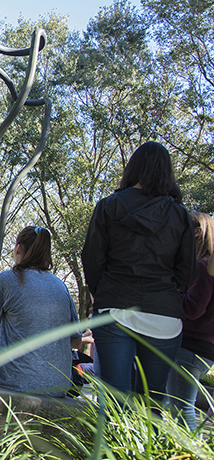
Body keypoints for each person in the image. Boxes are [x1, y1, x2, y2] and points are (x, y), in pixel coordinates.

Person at [82, 141, 196, 400]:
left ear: (132, 168)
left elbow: (92, 259)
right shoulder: (180, 216)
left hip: (116, 307)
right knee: (152, 403)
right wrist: (164, 290)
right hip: (163, 316)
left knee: (114, 399)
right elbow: (186, 271)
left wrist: (105, 293)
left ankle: (110, 441)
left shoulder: (109, 206)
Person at [0, 226, 82, 398]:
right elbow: (76, 342)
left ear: (18, 248)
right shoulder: (61, 286)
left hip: (15, 380)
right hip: (58, 385)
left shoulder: (7, 279)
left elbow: (7, 325)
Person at [166, 212, 214, 430]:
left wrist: (166, 291)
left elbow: (194, 308)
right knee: (179, 406)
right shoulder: (203, 265)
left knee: (181, 408)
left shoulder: (203, 266)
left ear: (197, 231)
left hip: (190, 347)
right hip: (199, 348)